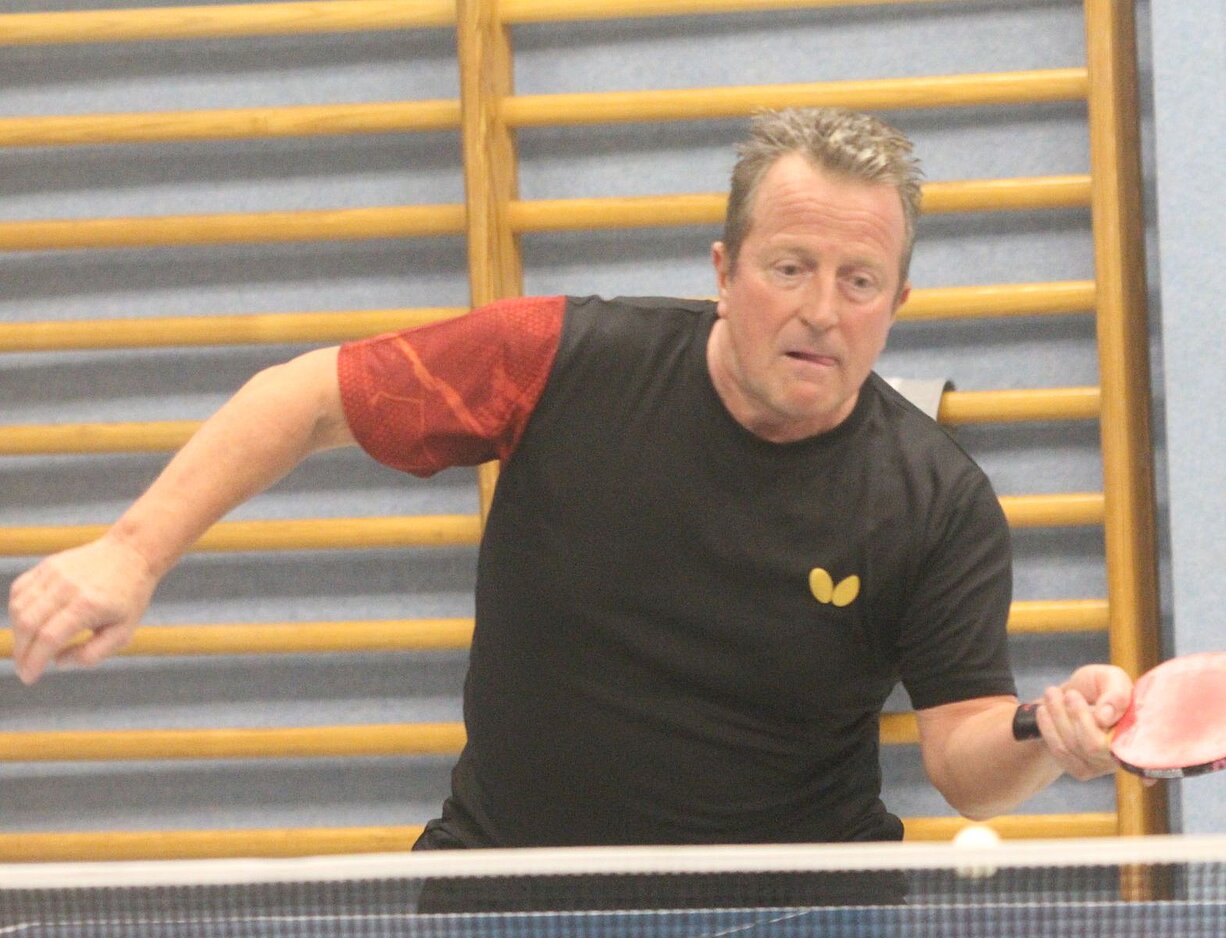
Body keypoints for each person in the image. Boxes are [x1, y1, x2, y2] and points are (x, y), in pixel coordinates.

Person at [7, 108, 1131, 849]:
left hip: (796, 911)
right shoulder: (555, 362)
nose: (821, 311)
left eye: (860, 280)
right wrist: (132, 551)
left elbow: (966, 759)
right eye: (790, 267)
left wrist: (1047, 731)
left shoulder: (936, 500)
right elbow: (306, 396)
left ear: (898, 303)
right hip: (510, 879)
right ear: (725, 270)